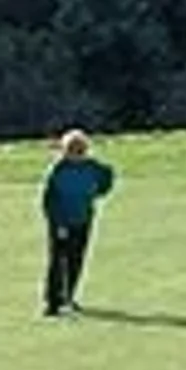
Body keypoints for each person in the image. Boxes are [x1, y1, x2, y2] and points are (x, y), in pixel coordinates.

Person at [39, 127, 114, 315]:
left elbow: (108, 176)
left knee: (76, 260)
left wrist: (97, 192)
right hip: (61, 222)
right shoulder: (58, 169)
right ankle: (53, 302)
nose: (77, 155)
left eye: (81, 150)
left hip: (83, 219)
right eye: (73, 150)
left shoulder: (92, 167)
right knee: (58, 260)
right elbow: (49, 200)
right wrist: (58, 223)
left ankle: (69, 297)